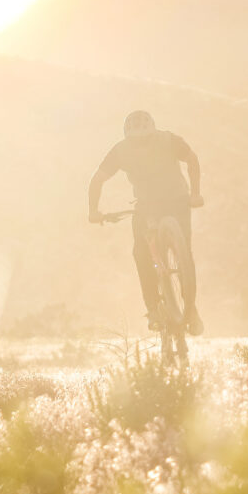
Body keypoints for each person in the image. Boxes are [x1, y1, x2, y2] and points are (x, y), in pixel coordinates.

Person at [88, 110, 204, 335]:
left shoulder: (165, 140)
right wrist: (93, 210)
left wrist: (94, 212)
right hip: (155, 204)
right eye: (136, 141)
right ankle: (155, 309)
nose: (140, 144)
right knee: (145, 253)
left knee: (171, 254)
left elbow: (191, 159)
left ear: (153, 133)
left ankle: (185, 308)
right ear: (127, 138)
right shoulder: (145, 145)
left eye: (145, 139)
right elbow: (97, 180)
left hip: (173, 201)